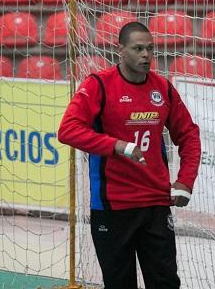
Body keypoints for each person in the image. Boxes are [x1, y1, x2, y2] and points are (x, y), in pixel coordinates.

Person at [58, 22, 201, 289]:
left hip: (156, 204)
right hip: (113, 207)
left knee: (166, 282)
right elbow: (67, 130)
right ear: (120, 51)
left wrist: (185, 181)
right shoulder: (98, 85)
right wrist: (116, 146)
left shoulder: (163, 88)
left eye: (150, 49)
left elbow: (189, 135)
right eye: (138, 49)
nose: (146, 55)